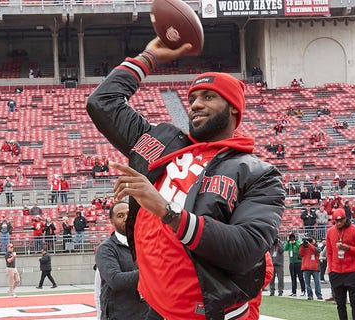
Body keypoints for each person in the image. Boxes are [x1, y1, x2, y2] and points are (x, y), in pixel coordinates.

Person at [86, 37, 284, 319]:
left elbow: (246, 247)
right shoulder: (161, 141)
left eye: (208, 97)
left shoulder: (257, 173)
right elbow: (101, 103)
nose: (195, 104)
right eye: (192, 98)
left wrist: (167, 211)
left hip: (211, 312)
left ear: (234, 109)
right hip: (156, 307)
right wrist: (148, 56)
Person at [95, 201, 149, 319]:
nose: (126, 219)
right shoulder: (106, 249)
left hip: (147, 314)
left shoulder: (146, 243)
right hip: (119, 315)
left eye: (128, 215)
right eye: (120, 216)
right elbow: (115, 280)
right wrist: (149, 273)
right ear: (112, 222)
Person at [325, 209, 355, 320]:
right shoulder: (330, 232)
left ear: (345, 219)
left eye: (340, 220)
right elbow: (329, 252)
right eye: (336, 221)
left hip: (352, 271)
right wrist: (331, 269)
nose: (338, 223)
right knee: (340, 304)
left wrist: (348, 248)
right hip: (336, 272)